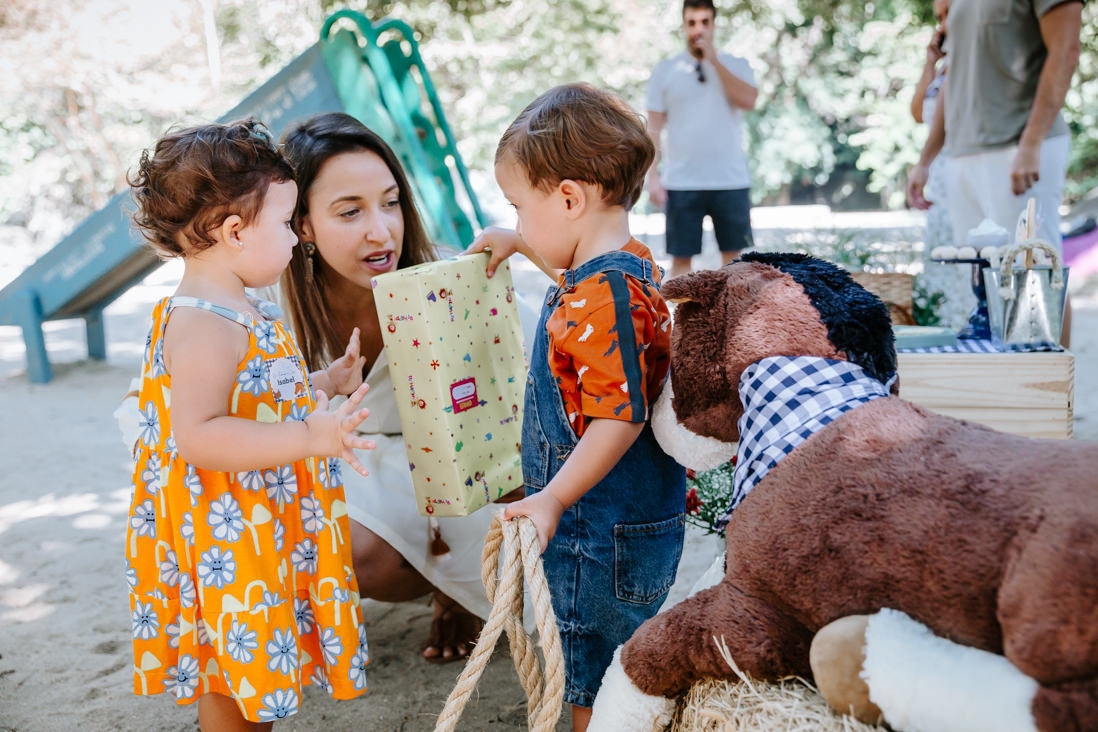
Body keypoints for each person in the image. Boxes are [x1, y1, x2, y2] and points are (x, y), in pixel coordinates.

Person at [124, 119, 373, 729]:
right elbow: (201, 434)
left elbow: (252, 402)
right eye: (286, 223)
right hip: (228, 537)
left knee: (237, 666)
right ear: (235, 231)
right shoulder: (204, 321)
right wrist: (311, 435)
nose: (296, 239)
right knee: (234, 670)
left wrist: (320, 385)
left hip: (254, 523)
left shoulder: (240, 306)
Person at [467, 83, 687, 732]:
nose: (517, 217)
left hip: (598, 530)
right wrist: (522, 243)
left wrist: (555, 499)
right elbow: (581, 295)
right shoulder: (625, 269)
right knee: (611, 660)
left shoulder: (604, 296)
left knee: (595, 673)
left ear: (569, 198)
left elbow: (619, 415)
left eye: (520, 206)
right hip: (625, 526)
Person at [277, 112, 493, 664]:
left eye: (391, 202)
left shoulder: (445, 279)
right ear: (302, 224)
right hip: (352, 461)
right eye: (350, 211)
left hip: (456, 465)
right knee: (335, 544)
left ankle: (452, 593)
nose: (382, 230)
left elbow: (500, 419)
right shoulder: (275, 313)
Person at [906, 0, 1083, 346]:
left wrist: (1031, 142)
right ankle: (1006, 392)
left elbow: (1066, 48)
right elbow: (953, 76)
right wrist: (927, 158)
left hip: (1020, 149)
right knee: (983, 288)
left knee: (1035, 282)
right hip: (963, 154)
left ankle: (1045, 394)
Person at [645, 0, 759, 279]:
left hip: (730, 181)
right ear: (684, 26)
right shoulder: (665, 71)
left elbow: (748, 100)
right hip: (682, 182)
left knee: (736, 267)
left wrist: (713, 60)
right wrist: (652, 178)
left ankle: (735, 323)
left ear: (714, 24)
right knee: (681, 266)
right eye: (692, 23)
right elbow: (653, 129)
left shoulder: (736, 65)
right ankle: (682, 324)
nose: (699, 30)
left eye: (705, 22)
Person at [909, 0, 973, 329]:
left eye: (950, 13)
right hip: (939, 177)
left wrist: (922, 163)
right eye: (939, 17)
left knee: (963, 255)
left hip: (961, 168)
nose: (944, 24)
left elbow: (949, 125)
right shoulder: (944, 68)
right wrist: (930, 63)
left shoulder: (970, 59)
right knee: (941, 256)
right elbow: (919, 112)